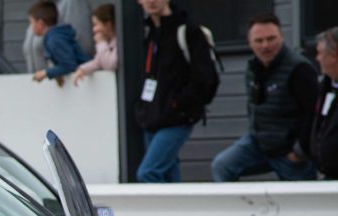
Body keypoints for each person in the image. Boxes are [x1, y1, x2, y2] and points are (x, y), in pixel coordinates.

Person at [211, 14, 318, 182]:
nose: (265, 46)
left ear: (282, 37)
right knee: (222, 165)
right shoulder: (253, 68)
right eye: (259, 41)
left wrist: (299, 151)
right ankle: (235, 208)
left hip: (290, 152)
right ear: (250, 43)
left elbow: (314, 115)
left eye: (271, 39)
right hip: (258, 144)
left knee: (300, 204)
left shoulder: (300, 69)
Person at [134, 0, 218, 183]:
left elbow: (205, 77)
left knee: (148, 172)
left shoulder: (188, 30)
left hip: (176, 117)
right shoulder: (149, 32)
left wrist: (179, 104)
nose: (151, 1)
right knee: (168, 175)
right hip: (152, 117)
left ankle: (160, 212)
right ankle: (178, 211)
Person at [24, 0, 92, 73]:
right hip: (44, 79)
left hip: (69, 79)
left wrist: (53, 71)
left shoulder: (72, 3)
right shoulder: (40, 9)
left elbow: (83, 45)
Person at [311, 27, 338, 179]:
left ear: (334, 56)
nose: (317, 58)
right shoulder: (326, 85)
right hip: (327, 174)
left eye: (321, 53)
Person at [73, 3, 116, 86]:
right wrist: (82, 69)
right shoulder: (109, 44)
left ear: (108, 25)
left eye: (96, 25)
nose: (94, 30)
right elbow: (98, 61)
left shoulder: (118, 43)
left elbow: (110, 65)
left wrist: (101, 43)